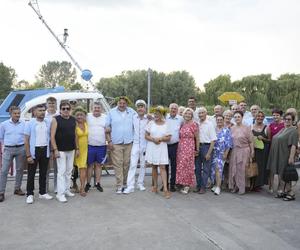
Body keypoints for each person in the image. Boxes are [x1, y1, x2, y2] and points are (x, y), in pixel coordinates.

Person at [106, 96, 135, 194]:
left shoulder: (131, 112)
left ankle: (125, 184)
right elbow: (107, 128)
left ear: (126, 104)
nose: (122, 105)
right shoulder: (111, 112)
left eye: (124, 103)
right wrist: (109, 141)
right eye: (120, 103)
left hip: (129, 142)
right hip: (116, 143)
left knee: (126, 164)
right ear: (117, 103)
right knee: (118, 164)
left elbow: (138, 121)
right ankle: (119, 185)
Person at [24, 104, 53, 204]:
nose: (42, 112)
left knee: (43, 173)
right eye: (40, 110)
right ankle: (30, 194)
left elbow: (50, 137)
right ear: (35, 112)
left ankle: (42, 193)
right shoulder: (30, 123)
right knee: (31, 174)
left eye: (43, 110)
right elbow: (26, 140)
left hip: (45, 149)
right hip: (34, 151)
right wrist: (28, 155)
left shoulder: (47, 122)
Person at [267, 112, 298, 201]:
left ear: (293, 120)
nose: (287, 121)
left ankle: (290, 193)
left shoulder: (293, 130)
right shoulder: (283, 129)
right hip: (278, 154)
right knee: (281, 174)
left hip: (285, 155)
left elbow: (293, 145)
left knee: (285, 174)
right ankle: (283, 191)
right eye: (285, 119)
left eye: (289, 119)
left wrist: (291, 157)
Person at [51, 101, 77, 202]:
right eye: (63, 108)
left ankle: (66, 190)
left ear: (70, 109)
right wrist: (55, 150)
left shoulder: (73, 119)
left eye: (67, 108)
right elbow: (52, 137)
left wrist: (77, 148)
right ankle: (60, 193)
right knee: (61, 172)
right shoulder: (55, 119)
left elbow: (75, 135)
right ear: (60, 110)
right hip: (60, 150)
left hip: (71, 149)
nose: (66, 110)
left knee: (69, 171)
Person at [0, 106, 26, 202]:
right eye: (15, 113)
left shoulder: (23, 124)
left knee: (19, 170)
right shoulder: (4, 124)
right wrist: (5, 146)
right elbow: (1, 137)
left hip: (21, 148)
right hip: (8, 149)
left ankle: (17, 189)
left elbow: (26, 136)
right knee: (4, 171)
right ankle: (1, 192)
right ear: (10, 114)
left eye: (18, 113)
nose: (17, 115)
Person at [145, 106, 171, 199]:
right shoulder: (150, 123)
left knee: (163, 167)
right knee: (154, 166)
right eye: (155, 113)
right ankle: (155, 186)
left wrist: (160, 139)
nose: (155, 115)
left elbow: (169, 138)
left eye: (158, 113)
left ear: (162, 114)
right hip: (152, 146)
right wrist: (153, 139)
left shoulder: (166, 124)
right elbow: (146, 136)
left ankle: (165, 189)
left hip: (162, 147)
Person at [123, 100, 148, 194]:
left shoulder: (149, 118)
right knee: (132, 164)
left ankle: (140, 183)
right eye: (138, 107)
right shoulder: (133, 117)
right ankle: (130, 186)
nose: (140, 108)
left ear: (145, 108)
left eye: (142, 107)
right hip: (136, 144)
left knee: (143, 165)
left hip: (145, 144)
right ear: (136, 108)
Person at [229, 111, 254, 195]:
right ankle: (235, 186)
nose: (237, 118)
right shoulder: (232, 128)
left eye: (238, 117)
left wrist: (252, 151)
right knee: (234, 169)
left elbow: (251, 141)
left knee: (242, 170)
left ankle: (242, 188)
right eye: (235, 117)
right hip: (235, 151)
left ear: (242, 117)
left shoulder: (247, 128)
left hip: (244, 150)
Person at [85, 102, 107, 193]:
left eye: (98, 108)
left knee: (99, 165)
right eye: (95, 108)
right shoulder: (87, 116)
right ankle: (88, 184)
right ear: (91, 108)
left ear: (101, 109)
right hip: (90, 145)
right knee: (89, 165)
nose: (97, 109)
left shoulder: (105, 117)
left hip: (101, 146)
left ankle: (98, 183)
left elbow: (108, 129)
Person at [176, 108, 199, 194]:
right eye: (186, 114)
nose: (188, 115)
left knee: (188, 166)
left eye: (189, 114)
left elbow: (197, 137)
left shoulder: (194, 124)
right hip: (181, 147)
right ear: (184, 115)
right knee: (181, 165)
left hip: (189, 147)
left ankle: (187, 185)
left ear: (192, 115)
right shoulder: (182, 124)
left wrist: (197, 149)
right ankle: (181, 183)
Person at [194, 107, 217, 194]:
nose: (201, 115)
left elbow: (213, 140)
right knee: (197, 168)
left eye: (202, 113)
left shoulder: (210, 124)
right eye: (199, 113)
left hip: (206, 147)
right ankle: (198, 185)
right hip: (198, 147)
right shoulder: (196, 124)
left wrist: (209, 153)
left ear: (206, 113)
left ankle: (203, 187)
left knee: (206, 169)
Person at [211, 115, 232, 195]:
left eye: (221, 120)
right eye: (218, 120)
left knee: (218, 169)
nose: (219, 121)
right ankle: (216, 185)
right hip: (214, 153)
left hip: (222, 153)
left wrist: (226, 153)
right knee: (213, 170)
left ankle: (218, 187)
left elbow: (229, 143)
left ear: (223, 120)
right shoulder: (214, 129)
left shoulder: (226, 130)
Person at [166, 103, 183, 192]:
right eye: (172, 108)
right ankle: (165, 184)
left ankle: (172, 184)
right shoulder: (165, 117)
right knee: (164, 166)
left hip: (175, 145)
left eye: (175, 108)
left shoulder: (180, 119)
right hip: (164, 145)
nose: (173, 110)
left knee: (174, 166)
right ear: (169, 109)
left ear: (177, 110)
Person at [251, 111, 270, 192]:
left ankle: (258, 185)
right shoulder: (251, 127)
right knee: (252, 166)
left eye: (262, 116)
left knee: (260, 167)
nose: (260, 118)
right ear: (255, 117)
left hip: (263, 151)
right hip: (253, 150)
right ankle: (252, 184)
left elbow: (269, 140)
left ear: (263, 118)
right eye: (258, 116)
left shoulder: (267, 128)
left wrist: (263, 138)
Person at [73, 107, 88, 197]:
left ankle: (82, 187)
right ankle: (74, 184)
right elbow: (75, 138)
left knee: (83, 168)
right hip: (77, 149)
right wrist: (77, 149)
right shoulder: (74, 125)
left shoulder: (86, 124)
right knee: (74, 169)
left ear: (84, 116)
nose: (79, 116)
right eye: (77, 115)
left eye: (81, 115)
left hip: (85, 149)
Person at [45, 96, 59, 193]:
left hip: (57, 143)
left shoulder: (59, 115)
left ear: (56, 104)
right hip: (45, 143)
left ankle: (56, 187)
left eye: (53, 103)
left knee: (57, 168)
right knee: (46, 167)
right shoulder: (42, 114)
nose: (51, 105)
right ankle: (45, 188)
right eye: (49, 103)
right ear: (47, 104)